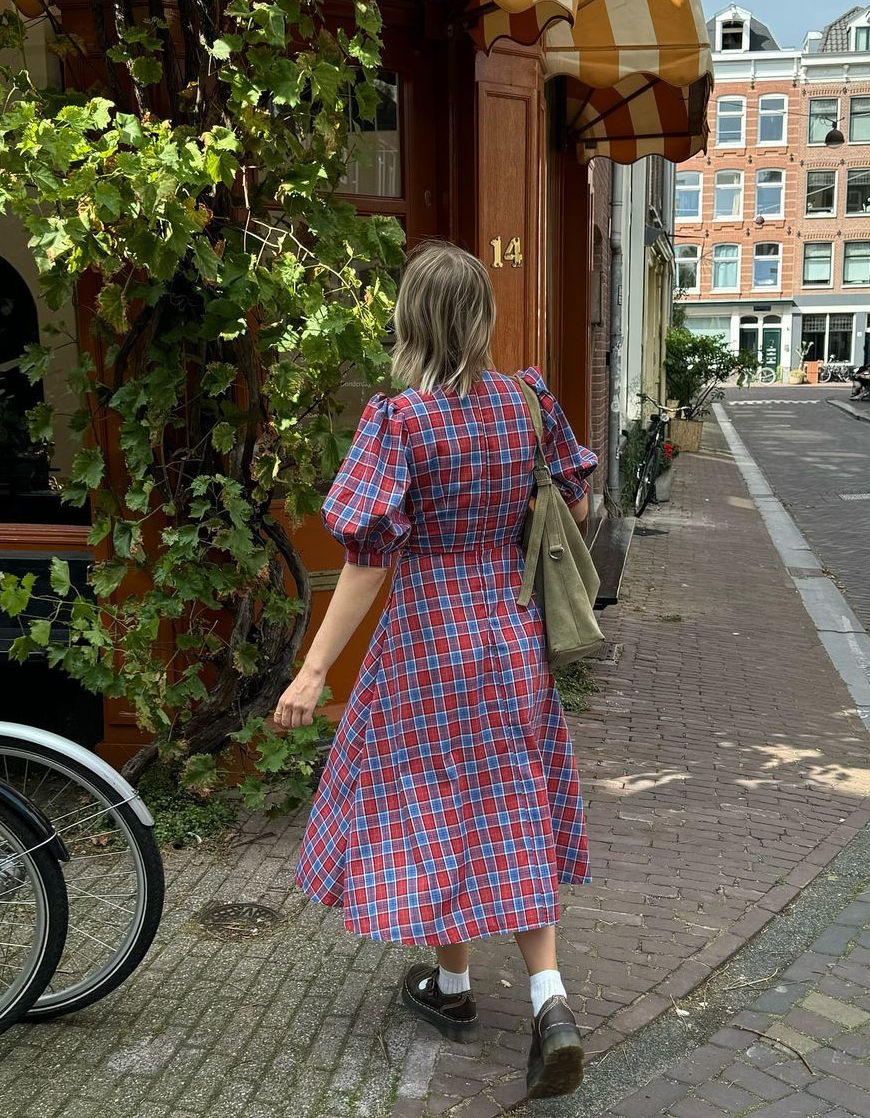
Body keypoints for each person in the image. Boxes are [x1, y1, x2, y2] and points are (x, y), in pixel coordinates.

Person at [274, 239, 598, 1101]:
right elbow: (577, 500)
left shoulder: (400, 420)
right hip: (513, 631)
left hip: (428, 642)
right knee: (509, 796)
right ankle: (543, 997)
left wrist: (312, 672)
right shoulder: (527, 401)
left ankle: (455, 991)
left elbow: (369, 559)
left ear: (409, 319)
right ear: (484, 317)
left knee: (436, 804)